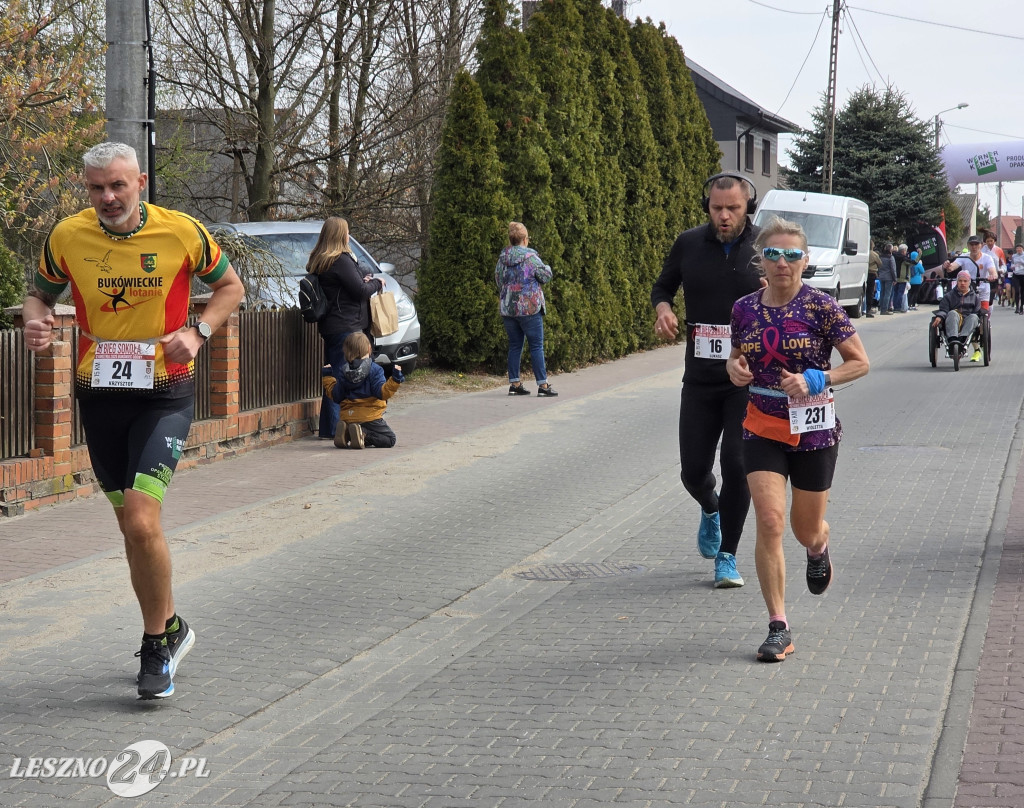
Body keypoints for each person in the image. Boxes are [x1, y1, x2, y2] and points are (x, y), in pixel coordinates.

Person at [21, 141, 245, 699]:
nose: (108, 197)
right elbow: (37, 296)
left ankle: (155, 646)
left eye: (118, 185)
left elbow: (230, 288)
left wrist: (198, 333)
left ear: (140, 182)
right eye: (97, 187)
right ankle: (172, 626)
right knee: (131, 527)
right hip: (99, 393)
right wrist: (35, 322)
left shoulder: (181, 231)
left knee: (143, 521)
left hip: (163, 393)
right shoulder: (68, 236)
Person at [726, 217, 869, 662]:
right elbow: (737, 355)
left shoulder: (822, 306)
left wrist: (818, 377)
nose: (783, 263)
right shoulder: (744, 308)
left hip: (813, 429)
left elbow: (860, 363)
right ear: (760, 261)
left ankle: (819, 546)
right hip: (762, 425)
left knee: (804, 528)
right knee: (769, 521)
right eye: (773, 254)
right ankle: (778, 626)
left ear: (805, 261)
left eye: (792, 255)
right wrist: (734, 368)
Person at [651, 173, 763, 588]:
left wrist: (777, 288)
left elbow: (794, 291)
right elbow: (663, 285)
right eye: (717, 208)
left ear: (747, 207)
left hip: (746, 379)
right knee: (693, 472)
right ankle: (710, 507)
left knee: (737, 464)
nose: (724, 216)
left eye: (733, 208)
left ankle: (727, 557)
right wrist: (663, 309)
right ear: (707, 207)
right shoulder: (689, 243)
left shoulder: (763, 247)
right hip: (699, 378)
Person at [309, 217, 384, 440]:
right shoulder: (340, 260)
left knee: (333, 376)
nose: (349, 236)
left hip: (332, 326)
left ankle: (328, 428)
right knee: (343, 377)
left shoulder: (321, 259)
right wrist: (376, 283)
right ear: (341, 235)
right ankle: (334, 429)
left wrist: (363, 278)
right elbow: (360, 290)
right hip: (345, 326)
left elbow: (348, 285)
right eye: (347, 232)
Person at [495, 221, 557, 397]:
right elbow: (545, 277)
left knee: (515, 345)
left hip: (509, 309)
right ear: (524, 240)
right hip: (529, 308)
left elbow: (498, 280)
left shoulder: (502, 259)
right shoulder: (531, 258)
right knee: (536, 346)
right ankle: (543, 386)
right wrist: (548, 268)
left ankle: (515, 384)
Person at [321, 332, 403, 448]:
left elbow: (336, 396)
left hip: (347, 416)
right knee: (390, 439)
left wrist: (328, 377)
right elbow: (382, 393)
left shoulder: (343, 371)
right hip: (369, 417)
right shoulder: (375, 370)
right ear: (369, 349)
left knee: (356, 423)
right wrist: (395, 379)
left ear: (346, 352)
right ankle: (363, 434)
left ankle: (349, 433)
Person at [942, 235, 996, 359]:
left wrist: (992, 276)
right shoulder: (964, 258)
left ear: (981, 245)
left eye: (976, 244)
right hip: (966, 289)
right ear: (968, 246)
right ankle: (974, 347)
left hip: (982, 291)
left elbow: (993, 271)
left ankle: (981, 341)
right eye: (971, 244)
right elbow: (952, 267)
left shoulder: (987, 258)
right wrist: (947, 266)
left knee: (982, 318)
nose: (974, 247)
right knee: (964, 316)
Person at [933, 270, 983, 355]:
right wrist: (939, 316)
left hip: (968, 322)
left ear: (969, 282)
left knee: (974, 316)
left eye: (965, 281)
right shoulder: (949, 296)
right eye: (960, 281)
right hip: (953, 320)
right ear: (957, 282)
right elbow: (944, 310)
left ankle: (962, 340)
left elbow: (978, 312)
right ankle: (953, 340)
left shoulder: (975, 298)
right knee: (952, 313)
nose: (962, 283)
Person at [877, 243, 897, 314]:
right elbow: (893, 269)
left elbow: (879, 266)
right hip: (889, 277)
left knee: (882, 293)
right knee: (887, 294)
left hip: (881, 277)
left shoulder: (880, 257)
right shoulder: (891, 257)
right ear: (891, 249)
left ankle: (881, 307)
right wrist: (895, 279)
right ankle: (884, 310)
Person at [864, 241, 880, 318]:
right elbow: (880, 263)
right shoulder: (874, 254)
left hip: (863, 273)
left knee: (863, 291)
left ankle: (862, 308)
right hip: (872, 273)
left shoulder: (863, 253)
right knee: (870, 292)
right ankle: (868, 309)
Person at [1011, 245, 1024, 314]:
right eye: (1017, 248)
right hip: (1016, 274)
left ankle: (1022, 306)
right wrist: (1013, 267)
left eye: (1020, 248)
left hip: (1023, 274)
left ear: (1022, 249)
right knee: (1016, 291)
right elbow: (1012, 263)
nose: (1018, 249)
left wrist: (1021, 262)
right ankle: (1017, 307)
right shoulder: (1014, 256)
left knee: (1022, 291)